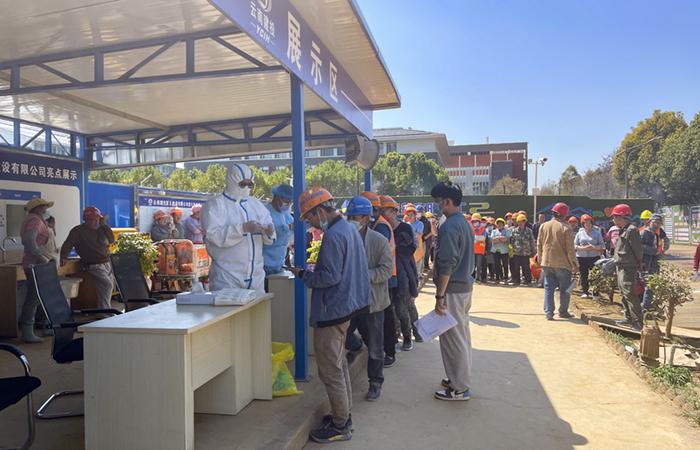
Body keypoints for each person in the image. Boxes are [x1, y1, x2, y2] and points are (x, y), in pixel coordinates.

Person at [289, 187, 370, 443]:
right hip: (345, 307)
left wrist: (304, 275)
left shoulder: (334, 236)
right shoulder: (348, 229)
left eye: (310, 218)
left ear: (320, 211)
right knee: (339, 364)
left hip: (332, 310)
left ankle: (340, 425)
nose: (311, 224)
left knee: (330, 370)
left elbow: (330, 277)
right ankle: (342, 415)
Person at [345, 196, 393, 401]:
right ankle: (356, 346)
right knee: (343, 335)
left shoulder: (379, 240)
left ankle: (375, 382)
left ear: (365, 218)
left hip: (373, 302)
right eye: (349, 217)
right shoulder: (345, 238)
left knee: (375, 347)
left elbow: (387, 270)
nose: (351, 221)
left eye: (354, 217)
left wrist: (363, 275)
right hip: (350, 302)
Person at [201, 164, 275, 295]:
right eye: (242, 184)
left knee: (259, 309)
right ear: (232, 181)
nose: (246, 188)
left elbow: (270, 237)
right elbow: (214, 237)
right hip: (227, 278)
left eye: (250, 184)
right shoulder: (215, 205)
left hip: (256, 278)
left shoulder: (256, 205)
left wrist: (269, 233)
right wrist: (242, 229)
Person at [430, 181, 474, 401]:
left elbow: (447, 264)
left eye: (438, 202)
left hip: (453, 291)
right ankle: (458, 379)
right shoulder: (463, 223)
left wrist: (440, 296)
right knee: (461, 336)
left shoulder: (449, 226)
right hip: (464, 288)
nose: (438, 206)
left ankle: (459, 388)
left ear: (447, 201)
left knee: (453, 339)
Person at [380, 195, 419, 351]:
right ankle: (395, 337)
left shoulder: (405, 228)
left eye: (385, 211)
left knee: (403, 307)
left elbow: (411, 249)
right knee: (390, 309)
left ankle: (409, 337)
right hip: (388, 274)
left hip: (403, 273)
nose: (383, 214)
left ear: (394, 212)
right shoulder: (381, 228)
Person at [60, 206, 115, 310]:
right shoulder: (78, 231)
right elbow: (68, 244)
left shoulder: (101, 229)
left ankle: (104, 310)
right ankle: (105, 311)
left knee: (108, 286)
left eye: (97, 220)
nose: (95, 222)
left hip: (107, 263)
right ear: (86, 220)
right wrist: (63, 256)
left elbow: (111, 240)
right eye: (92, 220)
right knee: (107, 285)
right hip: (93, 265)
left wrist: (104, 225)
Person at [19, 198, 55, 343]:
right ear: (38, 208)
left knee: (40, 296)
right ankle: (27, 331)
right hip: (35, 265)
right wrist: (42, 258)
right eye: (44, 207)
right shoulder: (34, 221)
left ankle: (44, 325)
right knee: (34, 298)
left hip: (37, 264)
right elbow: (30, 242)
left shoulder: (37, 220)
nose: (46, 209)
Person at [537, 202, 579, 320]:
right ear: (564, 215)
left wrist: (540, 259)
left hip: (547, 262)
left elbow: (539, 244)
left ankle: (549, 312)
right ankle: (563, 311)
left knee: (548, 288)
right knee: (564, 289)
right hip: (563, 264)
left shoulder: (544, 226)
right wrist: (575, 264)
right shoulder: (566, 227)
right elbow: (570, 249)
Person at [611, 204, 643, 329]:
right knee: (623, 293)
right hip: (621, 266)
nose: (613, 220)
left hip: (628, 267)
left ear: (621, 217)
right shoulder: (624, 230)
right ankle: (628, 318)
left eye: (614, 217)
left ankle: (638, 321)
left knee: (630, 293)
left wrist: (639, 263)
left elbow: (638, 250)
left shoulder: (631, 230)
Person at [263, 184, 294, 276]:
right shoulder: (265, 212)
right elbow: (265, 235)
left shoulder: (285, 213)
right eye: (286, 201)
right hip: (264, 264)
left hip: (279, 263)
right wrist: (283, 229)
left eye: (290, 201)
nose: (288, 204)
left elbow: (290, 228)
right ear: (277, 197)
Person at [575, 214, 605, 298]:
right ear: (583, 224)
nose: (588, 224)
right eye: (586, 223)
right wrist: (583, 248)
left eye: (589, 222)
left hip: (594, 257)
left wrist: (594, 247)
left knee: (595, 275)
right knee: (583, 275)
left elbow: (602, 245)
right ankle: (585, 291)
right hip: (582, 257)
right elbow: (575, 246)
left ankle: (595, 292)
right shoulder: (579, 234)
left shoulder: (597, 233)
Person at [641, 214, 664, 311]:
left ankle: (648, 306)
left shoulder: (657, 233)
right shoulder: (644, 232)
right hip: (645, 264)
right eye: (655, 222)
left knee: (652, 286)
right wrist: (654, 251)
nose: (657, 224)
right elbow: (639, 246)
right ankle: (644, 308)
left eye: (659, 223)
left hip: (654, 264)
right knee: (649, 286)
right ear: (650, 222)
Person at [510, 214, 536, 286]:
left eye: (523, 221)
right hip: (516, 252)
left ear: (525, 222)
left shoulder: (529, 231)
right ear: (517, 222)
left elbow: (532, 241)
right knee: (516, 268)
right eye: (519, 221)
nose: (521, 223)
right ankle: (517, 281)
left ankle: (528, 281)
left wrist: (533, 250)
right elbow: (511, 241)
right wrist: (512, 250)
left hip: (526, 253)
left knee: (526, 268)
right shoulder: (514, 231)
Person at [490, 218, 510, 284]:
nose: (499, 225)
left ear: (503, 224)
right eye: (498, 224)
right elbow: (492, 240)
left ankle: (506, 278)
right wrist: (501, 238)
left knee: (505, 265)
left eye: (501, 224)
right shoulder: (494, 231)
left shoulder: (507, 230)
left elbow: (506, 239)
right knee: (496, 265)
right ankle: (497, 279)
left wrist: (498, 238)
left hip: (504, 251)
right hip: (495, 251)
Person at [471, 213, 488, 283]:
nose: (475, 222)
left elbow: (483, 238)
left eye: (476, 221)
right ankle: (472, 278)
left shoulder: (483, 229)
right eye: (474, 221)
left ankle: (478, 278)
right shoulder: (470, 229)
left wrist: (474, 238)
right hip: (472, 250)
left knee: (479, 265)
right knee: (472, 265)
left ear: (479, 221)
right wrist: (477, 238)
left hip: (480, 250)